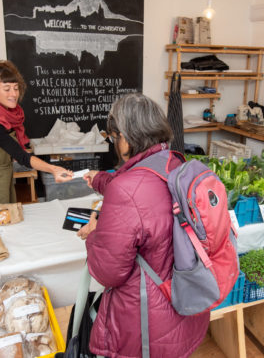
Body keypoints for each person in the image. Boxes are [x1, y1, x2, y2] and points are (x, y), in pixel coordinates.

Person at [77, 93, 209, 357]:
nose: (114, 143)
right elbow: (141, 189)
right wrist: (101, 180)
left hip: (147, 323)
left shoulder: (127, 190)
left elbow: (108, 272)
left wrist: (94, 234)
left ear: (126, 137)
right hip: (187, 304)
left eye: (114, 137)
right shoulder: (176, 162)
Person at [0, 57, 72, 204]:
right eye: (7, 89)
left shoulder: (5, 115)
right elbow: (22, 155)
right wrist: (53, 169)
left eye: (16, 88)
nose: (13, 94)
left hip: (4, 174)